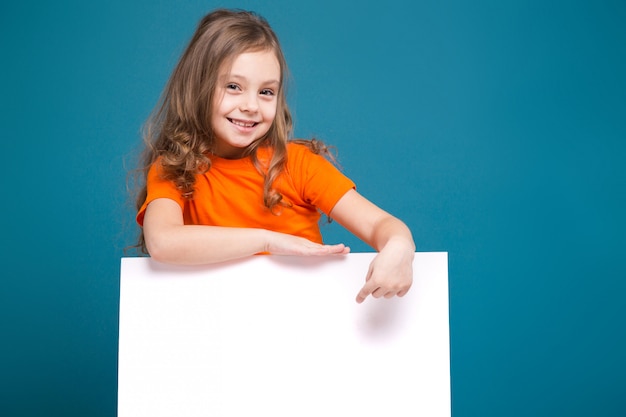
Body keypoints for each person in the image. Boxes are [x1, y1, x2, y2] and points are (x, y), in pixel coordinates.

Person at [134, 9, 415, 303]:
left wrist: (400, 247)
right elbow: (162, 242)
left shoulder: (298, 165)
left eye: (266, 92)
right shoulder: (174, 169)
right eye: (233, 87)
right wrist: (267, 240)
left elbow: (384, 226)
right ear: (197, 87)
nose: (251, 105)